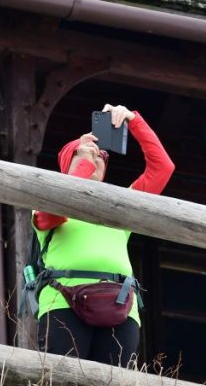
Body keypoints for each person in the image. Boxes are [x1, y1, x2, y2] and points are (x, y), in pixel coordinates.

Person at [33, 102, 174, 366]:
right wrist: (82, 164)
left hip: (121, 306)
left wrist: (134, 121)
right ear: (68, 163)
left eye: (100, 156)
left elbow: (162, 169)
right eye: (85, 153)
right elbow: (56, 207)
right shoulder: (49, 202)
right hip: (62, 303)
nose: (95, 158)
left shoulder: (120, 205)